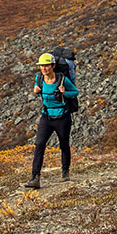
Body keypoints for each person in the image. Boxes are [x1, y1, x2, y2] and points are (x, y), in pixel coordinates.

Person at [23, 52, 78, 189]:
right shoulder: (39, 78)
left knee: (64, 145)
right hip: (46, 117)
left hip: (62, 118)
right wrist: (36, 90)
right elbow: (38, 90)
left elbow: (75, 92)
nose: (44, 68)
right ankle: (35, 178)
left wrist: (65, 92)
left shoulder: (62, 80)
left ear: (53, 66)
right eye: (42, 66)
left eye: (47, 65)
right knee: (39, 144)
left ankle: (65, 172)